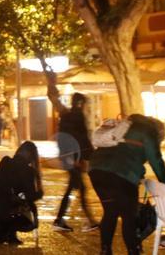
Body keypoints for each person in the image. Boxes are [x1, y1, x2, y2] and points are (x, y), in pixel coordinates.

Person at [89, 114, 165, 255]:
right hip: (122, 175)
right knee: (129, 216)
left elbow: (122, 152)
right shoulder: (148, 130)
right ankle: (133, 251)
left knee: (110, 212)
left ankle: (105, 250)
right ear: (159, 132)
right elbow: (156, 159)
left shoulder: (124, 124)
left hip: (96, 172)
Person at [0, 141, 43, 245]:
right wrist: (39, 193)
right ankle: (9, 232)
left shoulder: (5, 161)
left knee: (0, 200)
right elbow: (29, 196)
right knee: (26, 210)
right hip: (8, 210)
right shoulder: (29, 171)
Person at [54, 93, 98, 232]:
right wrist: (84, 158)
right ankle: (89, 221)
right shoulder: (78, 116)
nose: (86, 107)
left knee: (73, 188)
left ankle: (60, 219)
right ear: (80, 103)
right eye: (85, 104)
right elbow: (81, 139)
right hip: (74, 159)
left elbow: (62, 138)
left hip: (68, 157)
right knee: (81, 189)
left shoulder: (65, 116)